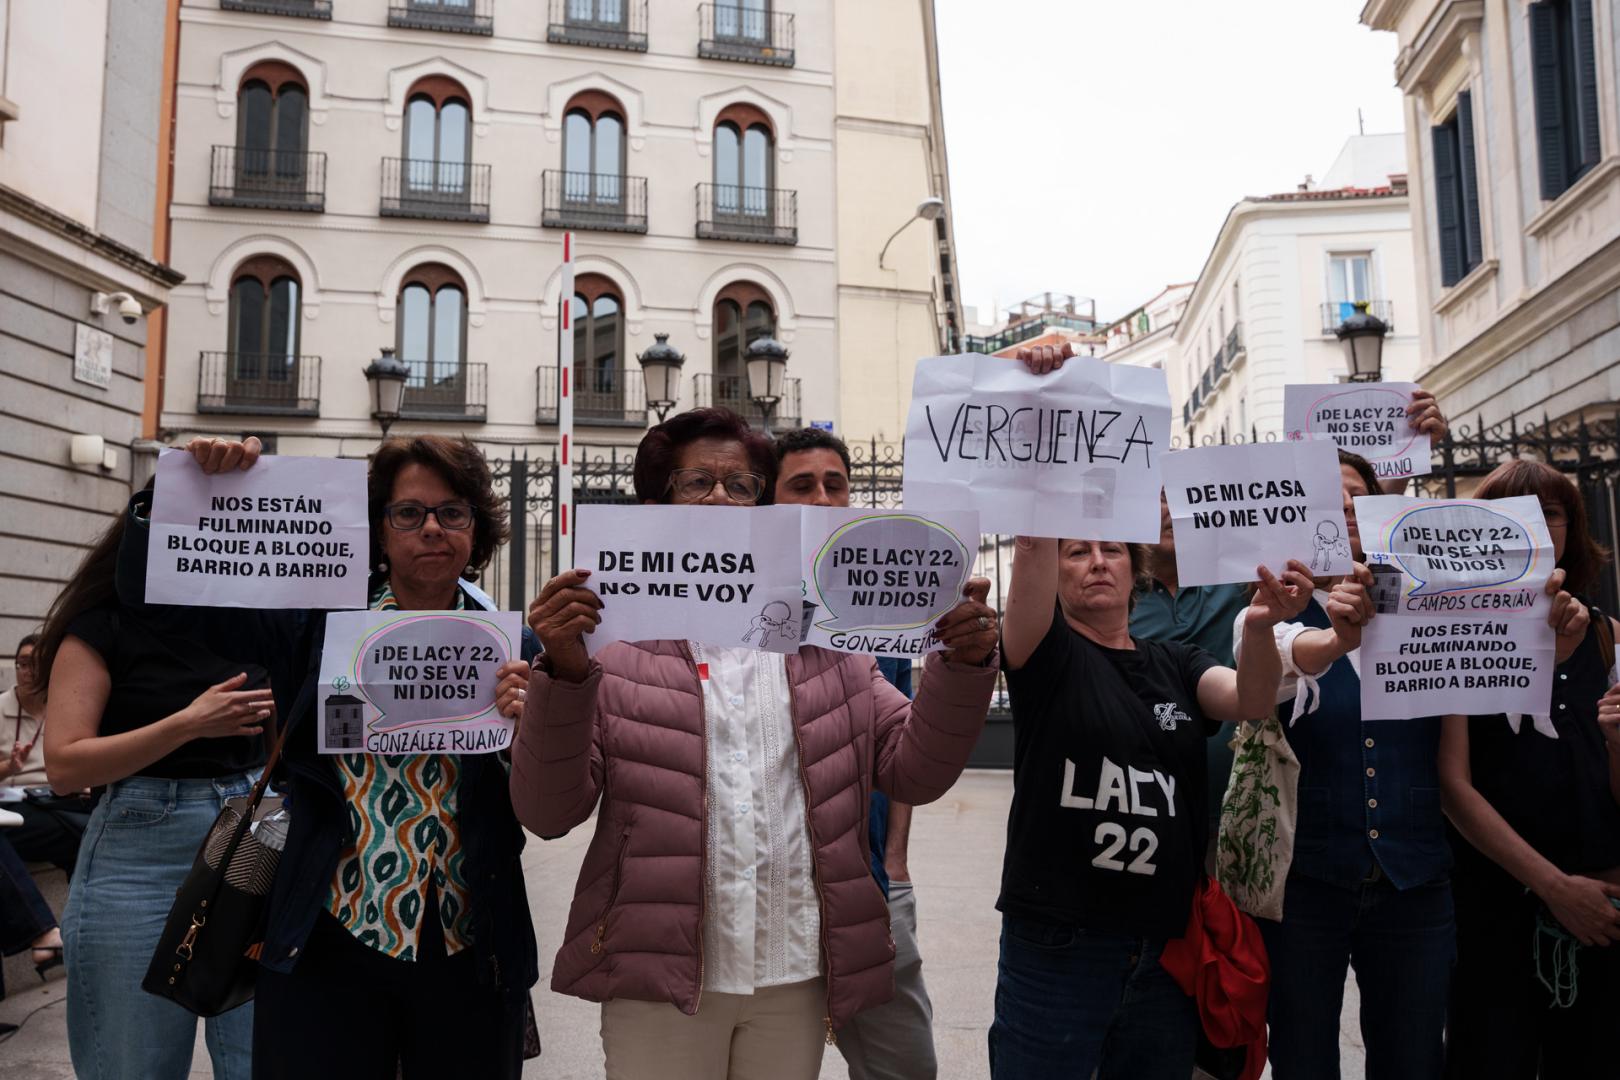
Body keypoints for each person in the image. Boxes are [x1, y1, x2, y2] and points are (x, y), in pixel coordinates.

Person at [511, 407, 1000, 1079]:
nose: (719, 496)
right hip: (663, 981)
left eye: (741, 485)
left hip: (790, 976)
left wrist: (963, 668)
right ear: (658, 503)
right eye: (697, 481)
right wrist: (562, 676)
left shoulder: (826, 645)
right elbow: (547, 811)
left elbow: (914, 771)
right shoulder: (612, 648)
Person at [151, 436, 542, 1079]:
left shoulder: (514, 642)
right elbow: (187, 607)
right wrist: (196, 492)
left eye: (452, 512)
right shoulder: (317, 626)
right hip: (327, 929)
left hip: (470, 939)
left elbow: (546, 793)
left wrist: (534, 727)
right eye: (408, 513)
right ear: (379, 531)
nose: (432, 529)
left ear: (476, 528)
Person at [1241, 450, 1589, 1079]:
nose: (1344, 511)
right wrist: (1332, 633)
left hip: (1415, 882)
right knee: (1303, 1057)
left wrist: (1551, 644)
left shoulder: (1438, 604)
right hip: (1305, 884)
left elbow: (1500, 698)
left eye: (1357, 500)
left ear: (1380, 513)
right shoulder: (1266, 618)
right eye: (1328, 500)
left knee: (1414, 1061)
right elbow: (1279, 677)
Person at [990, 516, 1307, 1079]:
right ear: (1055, 576)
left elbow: (1253, 698)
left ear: (1134, 573)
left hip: (1165, 946)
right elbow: (1034, 544)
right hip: (1061, 942)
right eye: (1076, 552)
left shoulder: (1176, 662)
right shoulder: (1044, 654)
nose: (1096, 561)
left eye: (1111, 549)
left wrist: (1258, 628)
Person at [38, 475, 306, 1080]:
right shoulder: (101, 625)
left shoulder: (255, 619)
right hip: (136, 853)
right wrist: (187, 724)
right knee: (135, 1066)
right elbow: (64, 765)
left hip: (248, 842)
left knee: (260, 1062)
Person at [1438, 459, 1620, 1078]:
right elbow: (1453, 786)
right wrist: (1552, 887)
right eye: (1514, 515)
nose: (1537, 528)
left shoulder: (1608, 640)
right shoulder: (1458, 636)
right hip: (1497, 911)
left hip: (1603, 909)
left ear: (1573, 527)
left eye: (1551, 513)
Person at [773, 425, 938, 1080]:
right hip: (772, 884)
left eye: (835, 484)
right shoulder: (738, 602)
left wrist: (893, 861)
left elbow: (901, 738)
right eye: (803, 484)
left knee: (905, 1065)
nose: (822, 496)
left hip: (867, 882)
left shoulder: (880, 599)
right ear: (773, 502)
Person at [1, 633, 90, 879]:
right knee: (80, 837)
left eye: (37, 665)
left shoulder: (65, 711)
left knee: (85, 832)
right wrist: (9, 766)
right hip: (13, 805)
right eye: (23, 663)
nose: (28, 672)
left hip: (59, 801)